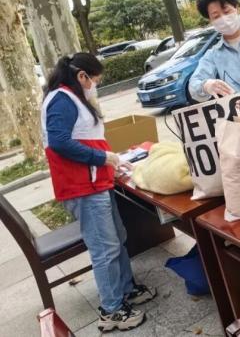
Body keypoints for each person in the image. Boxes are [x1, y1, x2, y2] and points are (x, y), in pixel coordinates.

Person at [42, 53, 156, 331]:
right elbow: (59, 142)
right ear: (82, 76)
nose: (96, 85)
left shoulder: (72, 98)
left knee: (117, 238)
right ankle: (112, 310)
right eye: (95, 80)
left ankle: (125, 289)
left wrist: (108, 162)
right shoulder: (62, 100)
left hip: (95, 183)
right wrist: (102, 158)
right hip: (83, 189)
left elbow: (85, 138)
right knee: (105, 249)